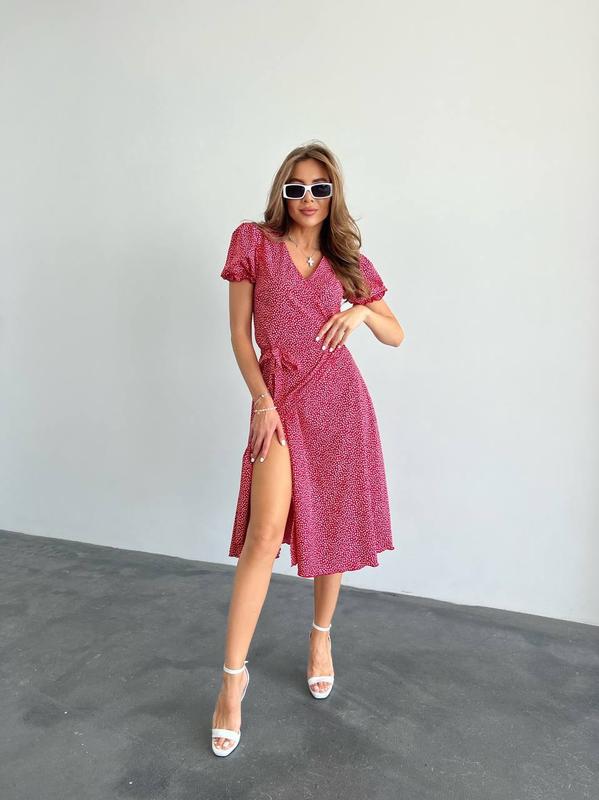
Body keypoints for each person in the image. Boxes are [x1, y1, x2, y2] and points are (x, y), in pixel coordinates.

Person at [211, 140, 405, 755]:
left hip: (340, 403)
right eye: (296, 188)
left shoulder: (348, 261)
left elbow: (396, 333)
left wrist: (361, 315)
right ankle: (232, 681)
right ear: (283, 192)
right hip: (279, 401)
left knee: (336, 525)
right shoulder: (253, 242)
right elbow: (240, 337)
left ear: (333, 193)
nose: (308, 198)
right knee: (264, 534)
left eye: (320, 188)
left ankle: (320, 635)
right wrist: (262, 401)